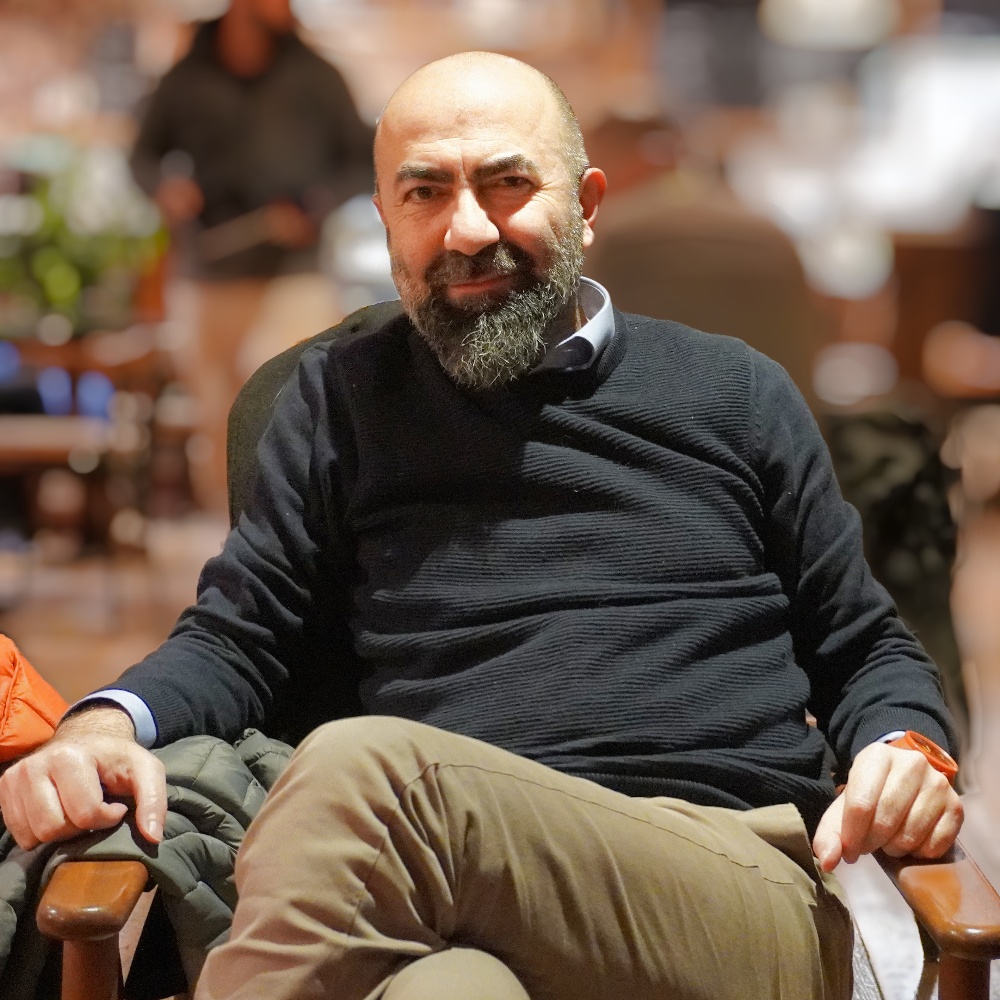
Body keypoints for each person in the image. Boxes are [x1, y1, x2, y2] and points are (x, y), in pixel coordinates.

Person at [0, 52, 963, 1000]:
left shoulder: (735, 391)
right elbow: (239, 634)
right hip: (437, 899)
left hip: (725, 885)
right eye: (425, 193)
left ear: (587, 203)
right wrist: (98, 726)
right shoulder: (339, 399)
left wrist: (903, 748)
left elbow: (865, 643)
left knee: (360, 769)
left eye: (508, 184)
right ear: (384, 218)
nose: (466, 230)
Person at [130, 0, 374, 513]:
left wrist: (315, 206)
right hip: (208, 270)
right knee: (216, 417)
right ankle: (231, 533)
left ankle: (296, 532)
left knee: (292, 402)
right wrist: (165, 188)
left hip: (294, 272)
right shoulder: (186, 77)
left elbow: (360, 158)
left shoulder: (317, 75)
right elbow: (142, 157)